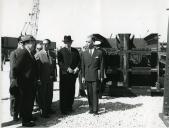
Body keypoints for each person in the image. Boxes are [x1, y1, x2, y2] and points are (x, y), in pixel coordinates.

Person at [12, 35, 37, 127]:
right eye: (32, 42)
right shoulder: (23, 53)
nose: (34, 44)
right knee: (26, 102)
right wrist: (19, 80)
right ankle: (25, 121)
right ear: (27, 43)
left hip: (30, 82)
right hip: (25, 83)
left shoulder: (29, 52)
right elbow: (15, 68)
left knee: (29, 101)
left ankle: (29, 116)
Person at [58, 35, 81, 114]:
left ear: (71, 42)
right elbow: (60, 63)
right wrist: (67, 68)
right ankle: (63, 109)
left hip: (73, 75)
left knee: (71, 91)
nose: (68, 43)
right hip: (65, 75)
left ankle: (69, 106)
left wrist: (77, 68)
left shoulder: (75, 51)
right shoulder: (61, 51)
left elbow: (79, 61)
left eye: (69, 42)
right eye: (66, 42)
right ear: (64, 42)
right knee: (64, 92)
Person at [81, 35, 104, 115]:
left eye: (88, 42)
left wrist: (101, 76)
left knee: (95, 93)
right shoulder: (84, 53)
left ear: (93, 42)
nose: (87, 43)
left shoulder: (99, 53)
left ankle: (95, 110)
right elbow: (82, 66)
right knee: (89, 93)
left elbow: (101, 65)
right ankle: (91, 108)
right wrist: (83, 76)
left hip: (95, 76)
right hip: (87, 76)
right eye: (86, 42)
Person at [34, 39, 56, 118]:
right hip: (42, 79)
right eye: (43, 44)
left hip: (50, 79)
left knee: (49, 94)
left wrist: (53, 76)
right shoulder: (38, 54)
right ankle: (43, 112)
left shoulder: (53, 54)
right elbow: (36, 69)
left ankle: (49, 108)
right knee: (42, 95)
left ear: (49, 45)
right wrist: (38, 79)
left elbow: (54, 67)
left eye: (47, 44)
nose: (45, 45)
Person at [9, 36, 24, 121]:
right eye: (22, 42)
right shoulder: (13, 53)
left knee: (21, 96)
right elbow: (12, 67)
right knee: (14, 97)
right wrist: (14, 79)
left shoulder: (23, 52)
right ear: (18, 43)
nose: (23, 44)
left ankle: (20, 112)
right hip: (15, 78)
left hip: (22, 79)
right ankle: (14, 114)